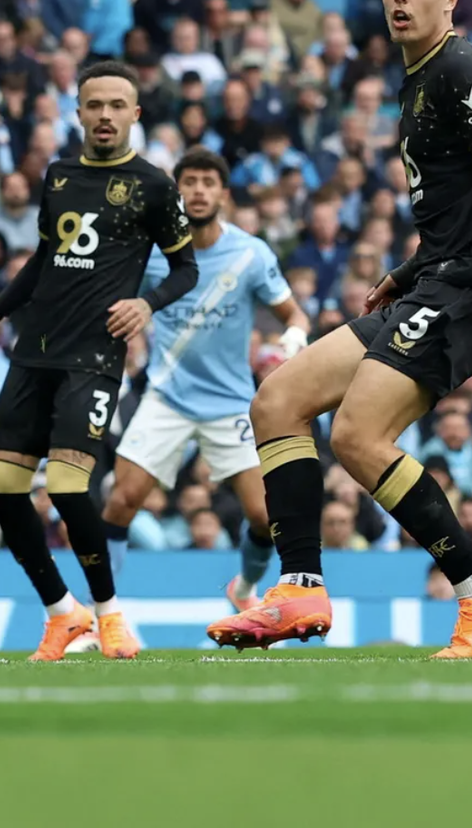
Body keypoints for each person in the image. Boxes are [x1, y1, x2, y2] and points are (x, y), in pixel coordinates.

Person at [208, 0, 472, 658]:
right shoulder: (417, 78)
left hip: (471, 292)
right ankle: (298, 585)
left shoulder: (461, 68)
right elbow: (462, 206)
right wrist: (409, 267)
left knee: (358, 435)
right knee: (278, 401)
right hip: (435, 279)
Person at [0, 60, 197, 661]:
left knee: (68, 488)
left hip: (92, 356)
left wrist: (147, 305)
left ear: (135, 115)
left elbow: (186, 268)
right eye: (95, 105)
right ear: (78, 112)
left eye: (118, 105)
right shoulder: (59, 176)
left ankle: (109, 614)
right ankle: (60, 613)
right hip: (34, 349)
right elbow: (46, 257)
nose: (105, 115)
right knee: (2, 488)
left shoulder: (152, 185)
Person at [103, 148, 310, 612]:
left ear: (224, 194)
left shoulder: (251, 255)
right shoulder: (151, 254)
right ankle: (104, 613)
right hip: (166, 398)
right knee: (120, 503)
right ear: (176, 194)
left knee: (263, 516)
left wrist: (291, 343)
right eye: (189, 182)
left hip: (231, 403)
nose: (198, 190)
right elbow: (111, 303)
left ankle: (243, 589)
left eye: (207, 182)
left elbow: (293, 313)